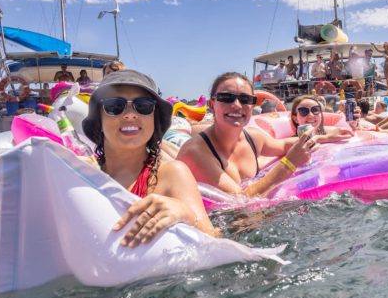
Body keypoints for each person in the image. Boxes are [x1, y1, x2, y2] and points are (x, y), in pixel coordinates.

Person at [81, 69, 221, 246]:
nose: (130, 114)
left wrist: (187, 214)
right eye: (114, 106)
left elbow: (214, 241)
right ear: (98, 119)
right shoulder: (84, 172)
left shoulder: (172, 174)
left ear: (154, 120)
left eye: (143, 106)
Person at [177, 72, 315, 196]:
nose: (237, 105)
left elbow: (284, 144)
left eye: (245, 99)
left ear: (252, 106)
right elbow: (241, 202)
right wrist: (289, 163)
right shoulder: (195, 153)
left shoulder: (253, 138)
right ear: (212, 105)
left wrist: (319, 137)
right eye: (227, 97)